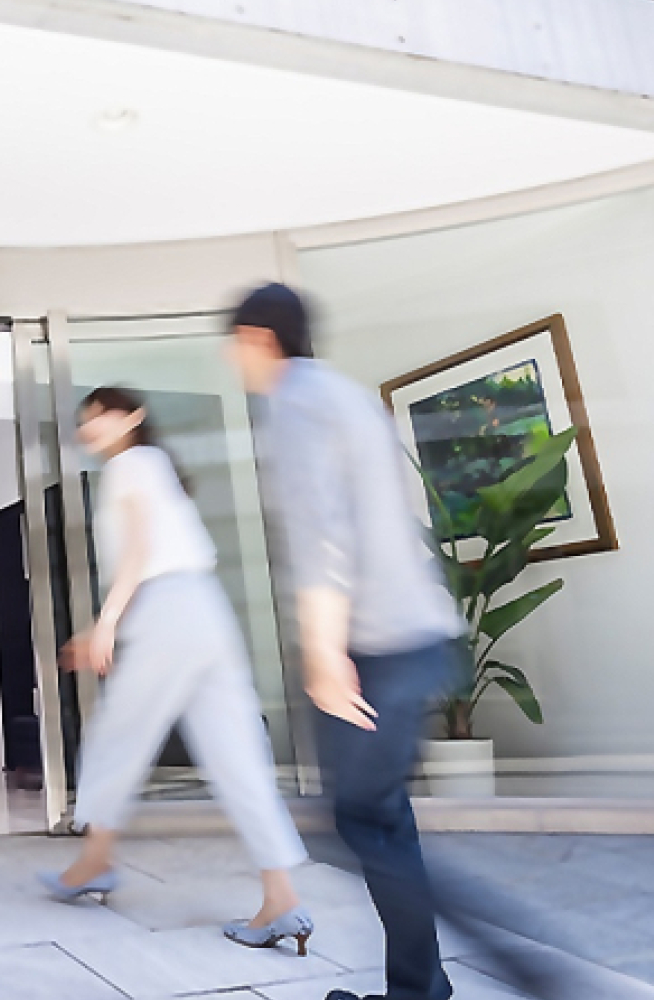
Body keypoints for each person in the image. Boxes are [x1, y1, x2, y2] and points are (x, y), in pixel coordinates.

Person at [226, 283, 468, 1000]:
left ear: (259, 338)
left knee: (365, 822)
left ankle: (462, 979)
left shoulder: (296, 403)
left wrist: (325, 652)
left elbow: (323, 537)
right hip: (417, 635)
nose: (233, 360)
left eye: (235, 344)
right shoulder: (349, 397)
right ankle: (420, 986)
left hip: (375, 650)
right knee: (381, 818)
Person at [40, 385, 315, 956]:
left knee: (117, 740)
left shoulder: (130, 464)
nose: (91, 427)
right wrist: (107, 624)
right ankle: (282, 898)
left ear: (133, 419)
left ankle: (93, 862)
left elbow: (140, 551)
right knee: (238, 756)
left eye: (102, 416)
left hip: (167, 611)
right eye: (86, 420)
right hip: (204, 610)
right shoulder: (156, 464)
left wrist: (107, 622)